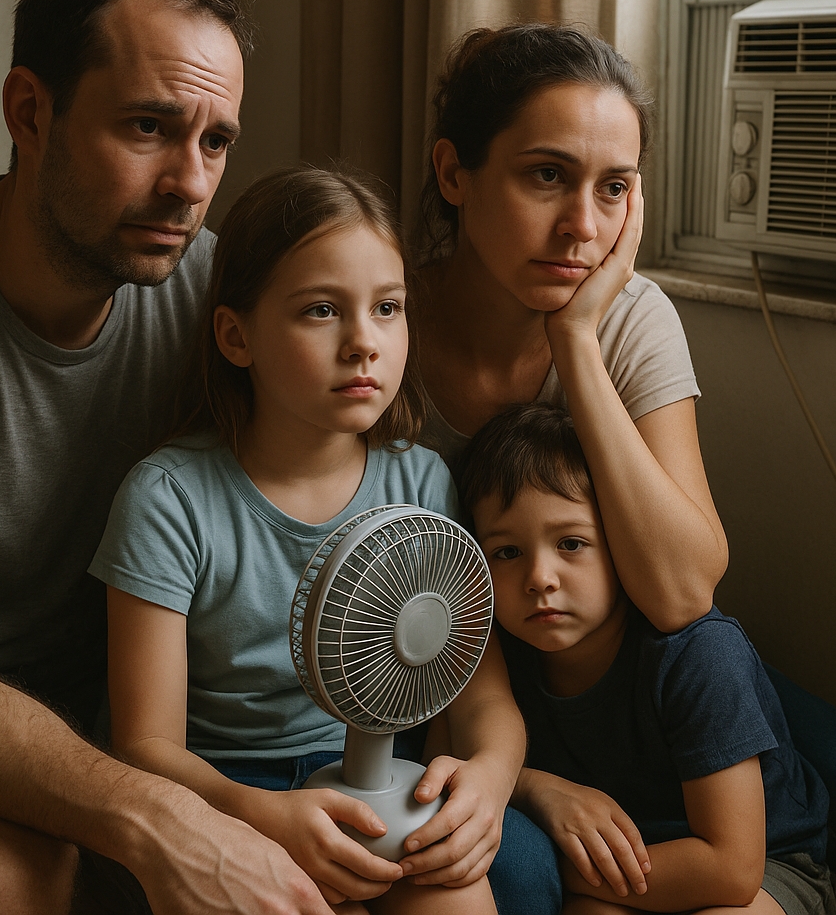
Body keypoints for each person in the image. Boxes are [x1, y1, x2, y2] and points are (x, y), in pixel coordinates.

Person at [413, 22, 836, 915]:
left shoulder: (630, 319)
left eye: (613, 188)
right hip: (479, 688)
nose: (583, 224)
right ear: (454, 173)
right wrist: (532, 780)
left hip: (646, 663)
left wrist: (576, 343)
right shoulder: (377, 323)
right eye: (547, 175)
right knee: (527, 876)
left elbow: (682, 592)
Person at [0, 0, 334, 914]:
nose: (191, 184)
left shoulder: (220, 298)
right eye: (149, 126)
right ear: (31, 111)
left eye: (217, 141)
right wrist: (157, 818)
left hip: (150, 711)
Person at [89, 167, 523, 914]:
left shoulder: (423, 487)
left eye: (388, 308)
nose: (364, 343)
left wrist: (489, 777)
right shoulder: (170, 500)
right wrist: (258, 816)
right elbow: (146, 747)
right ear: (236, 335)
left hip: (384, 782)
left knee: (458, 896)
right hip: (226, 793)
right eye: (322, 310)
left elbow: (485, 696)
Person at [456, 401, 836, 915]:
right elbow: (452, 760)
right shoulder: (498, 650)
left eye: (571, 543)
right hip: (619, 864)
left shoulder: (698, 655)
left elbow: (731, 870)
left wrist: (551, 872)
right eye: (506, 552)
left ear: (623, 540)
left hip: (762, 866)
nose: (539, 578)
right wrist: (536, 788)